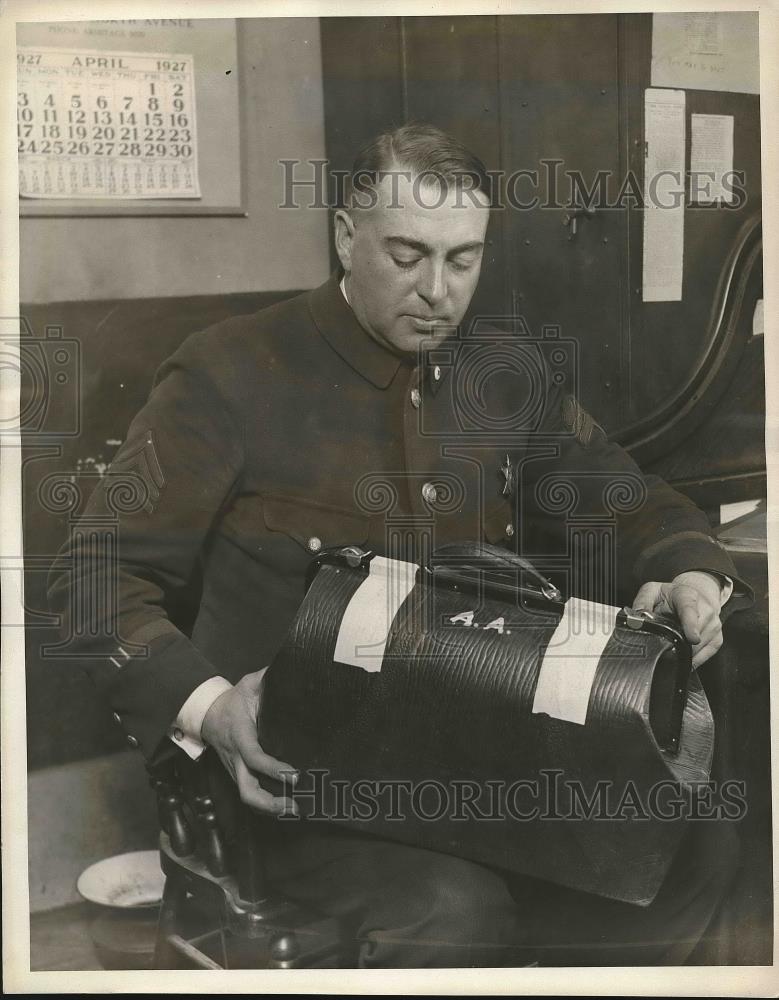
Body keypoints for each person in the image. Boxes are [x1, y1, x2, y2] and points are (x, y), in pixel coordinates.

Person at [49, 123, 749, 968]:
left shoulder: (501, 370)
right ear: (346, 236)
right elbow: (92, 582)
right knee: (451, 912)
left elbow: (618, 490)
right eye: (408, 254)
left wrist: (688, 567)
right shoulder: (228, 372)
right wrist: (214, 713)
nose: (438, 293)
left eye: (463, 259)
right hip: (293, 776)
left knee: (687, 852)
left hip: (486, 758)